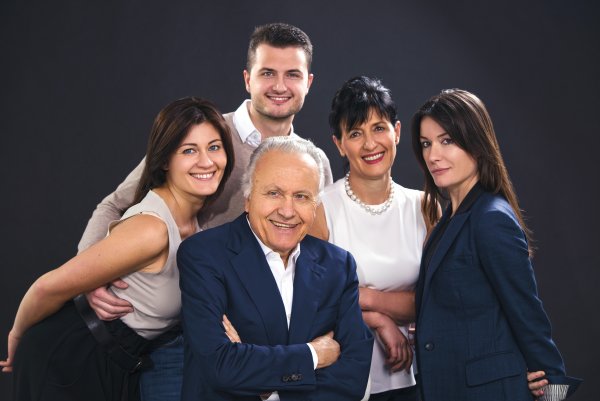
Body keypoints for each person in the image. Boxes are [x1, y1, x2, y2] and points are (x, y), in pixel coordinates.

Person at [77, 23, 333, 401]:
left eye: (292, 74)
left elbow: (313, 254)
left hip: (260, 344)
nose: (280, 85)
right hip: (177, 339)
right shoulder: (206, 136)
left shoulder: (314, 163)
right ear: (248, 79)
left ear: (308, 82)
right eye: (267, 73)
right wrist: (88, 271)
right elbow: (116, 203)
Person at [0, 97, 235, 401]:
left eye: (214, 147)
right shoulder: (153, 229)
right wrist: (17, 337)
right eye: (189, 150)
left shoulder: (193, 224)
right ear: (165, 160)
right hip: (71, 357)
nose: (206, 161)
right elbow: (47, 288)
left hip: (121, 366)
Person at [410, 89, 581, 401]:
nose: (433, 155)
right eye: (426, 143)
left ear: (476, 143)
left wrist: (553, 394)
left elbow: (529, 319)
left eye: (447, 140)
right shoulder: (447, 220)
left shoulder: (491, 219)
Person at [178, 136, 373, 401]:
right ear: (248, 198)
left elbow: (352, 379)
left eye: (302, 196)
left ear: (316, 205)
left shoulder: (338, 265)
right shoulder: (204, 255)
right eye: (274, 193)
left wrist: (267, 388)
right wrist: (313, 355)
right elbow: (220, 366)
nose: (287, 210)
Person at [309, 76, 425, 401]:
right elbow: (312, 302)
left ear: (397, 132)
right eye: (356, 133)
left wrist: (367, 299)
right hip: (342, 378)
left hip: (414, 377)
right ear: (339, 144)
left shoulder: (425, 207)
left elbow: (434, 300)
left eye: (379, 128)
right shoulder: (320, 208)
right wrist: (380, 322)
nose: (370, 144)